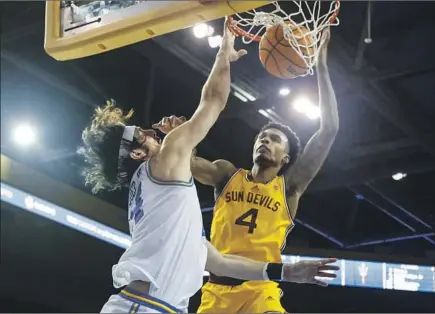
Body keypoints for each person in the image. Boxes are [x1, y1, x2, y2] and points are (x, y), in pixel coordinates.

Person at [78, 20, 339, 314]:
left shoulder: (157, 196)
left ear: (286, 159)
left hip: (177, 302)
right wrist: (223, 54)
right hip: (157, 304)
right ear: (138, 153)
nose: (153, 131)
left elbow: (221, 261)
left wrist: (289, 272)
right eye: (145, 135)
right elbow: (213, 100)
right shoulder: (187, 166)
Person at [152, 28, 339, 313]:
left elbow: (329, 130)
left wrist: (322, 65)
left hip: (260, 292)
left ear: (285, 158)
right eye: (262, 137)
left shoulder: (288, 190)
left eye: (275, 140)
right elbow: (181, 162)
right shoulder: (226, 175)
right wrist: (177, 137)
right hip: (216, 292)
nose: (265, 141)